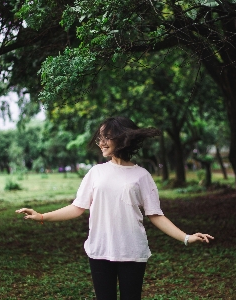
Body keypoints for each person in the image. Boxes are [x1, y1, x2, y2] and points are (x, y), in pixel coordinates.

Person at [16, 116, 214, 300]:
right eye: (100, 138)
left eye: (107, 137)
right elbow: (77, 207)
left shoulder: (142, 175)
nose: (101, 142)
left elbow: (156, 215)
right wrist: (41, 216)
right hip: (100, 250)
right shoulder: (96, 172)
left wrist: (187, 237)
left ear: (122, 139)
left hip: (132, 251)